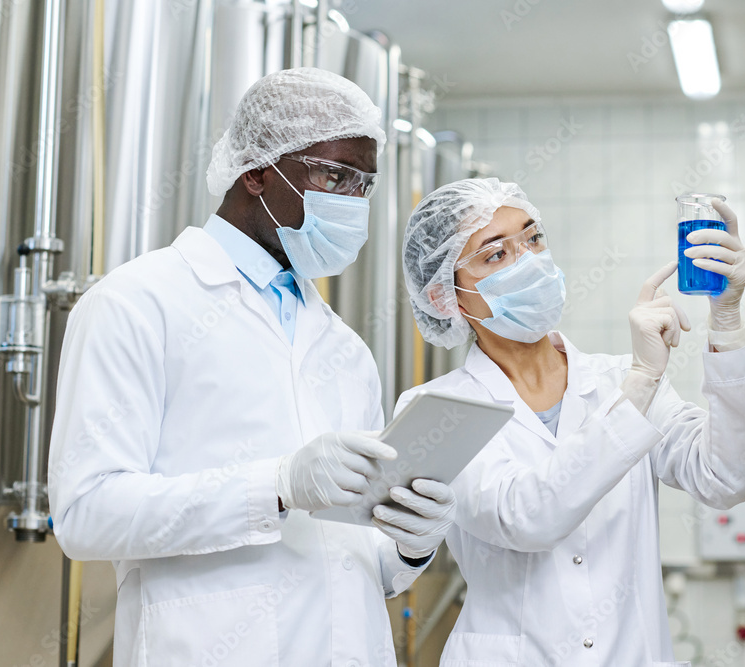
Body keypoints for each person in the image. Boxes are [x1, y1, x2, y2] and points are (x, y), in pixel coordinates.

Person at [48, 68, 456, 667]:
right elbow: (86, 515)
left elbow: (356, 559)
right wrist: (276, 486)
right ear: (258, 171)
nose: (351, 202)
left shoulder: (345, 349)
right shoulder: (136, 303)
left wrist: (409, 546)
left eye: (363, 185)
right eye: (333, 175)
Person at [395, 178, 745, 667]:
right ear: (447, 299)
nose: (526, 260)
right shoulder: (436, 410)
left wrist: (727, 319)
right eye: (495, 255)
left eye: (532, 238)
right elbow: (527, 516)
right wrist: (640, 383)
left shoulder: (616, 381)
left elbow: (727, 477)